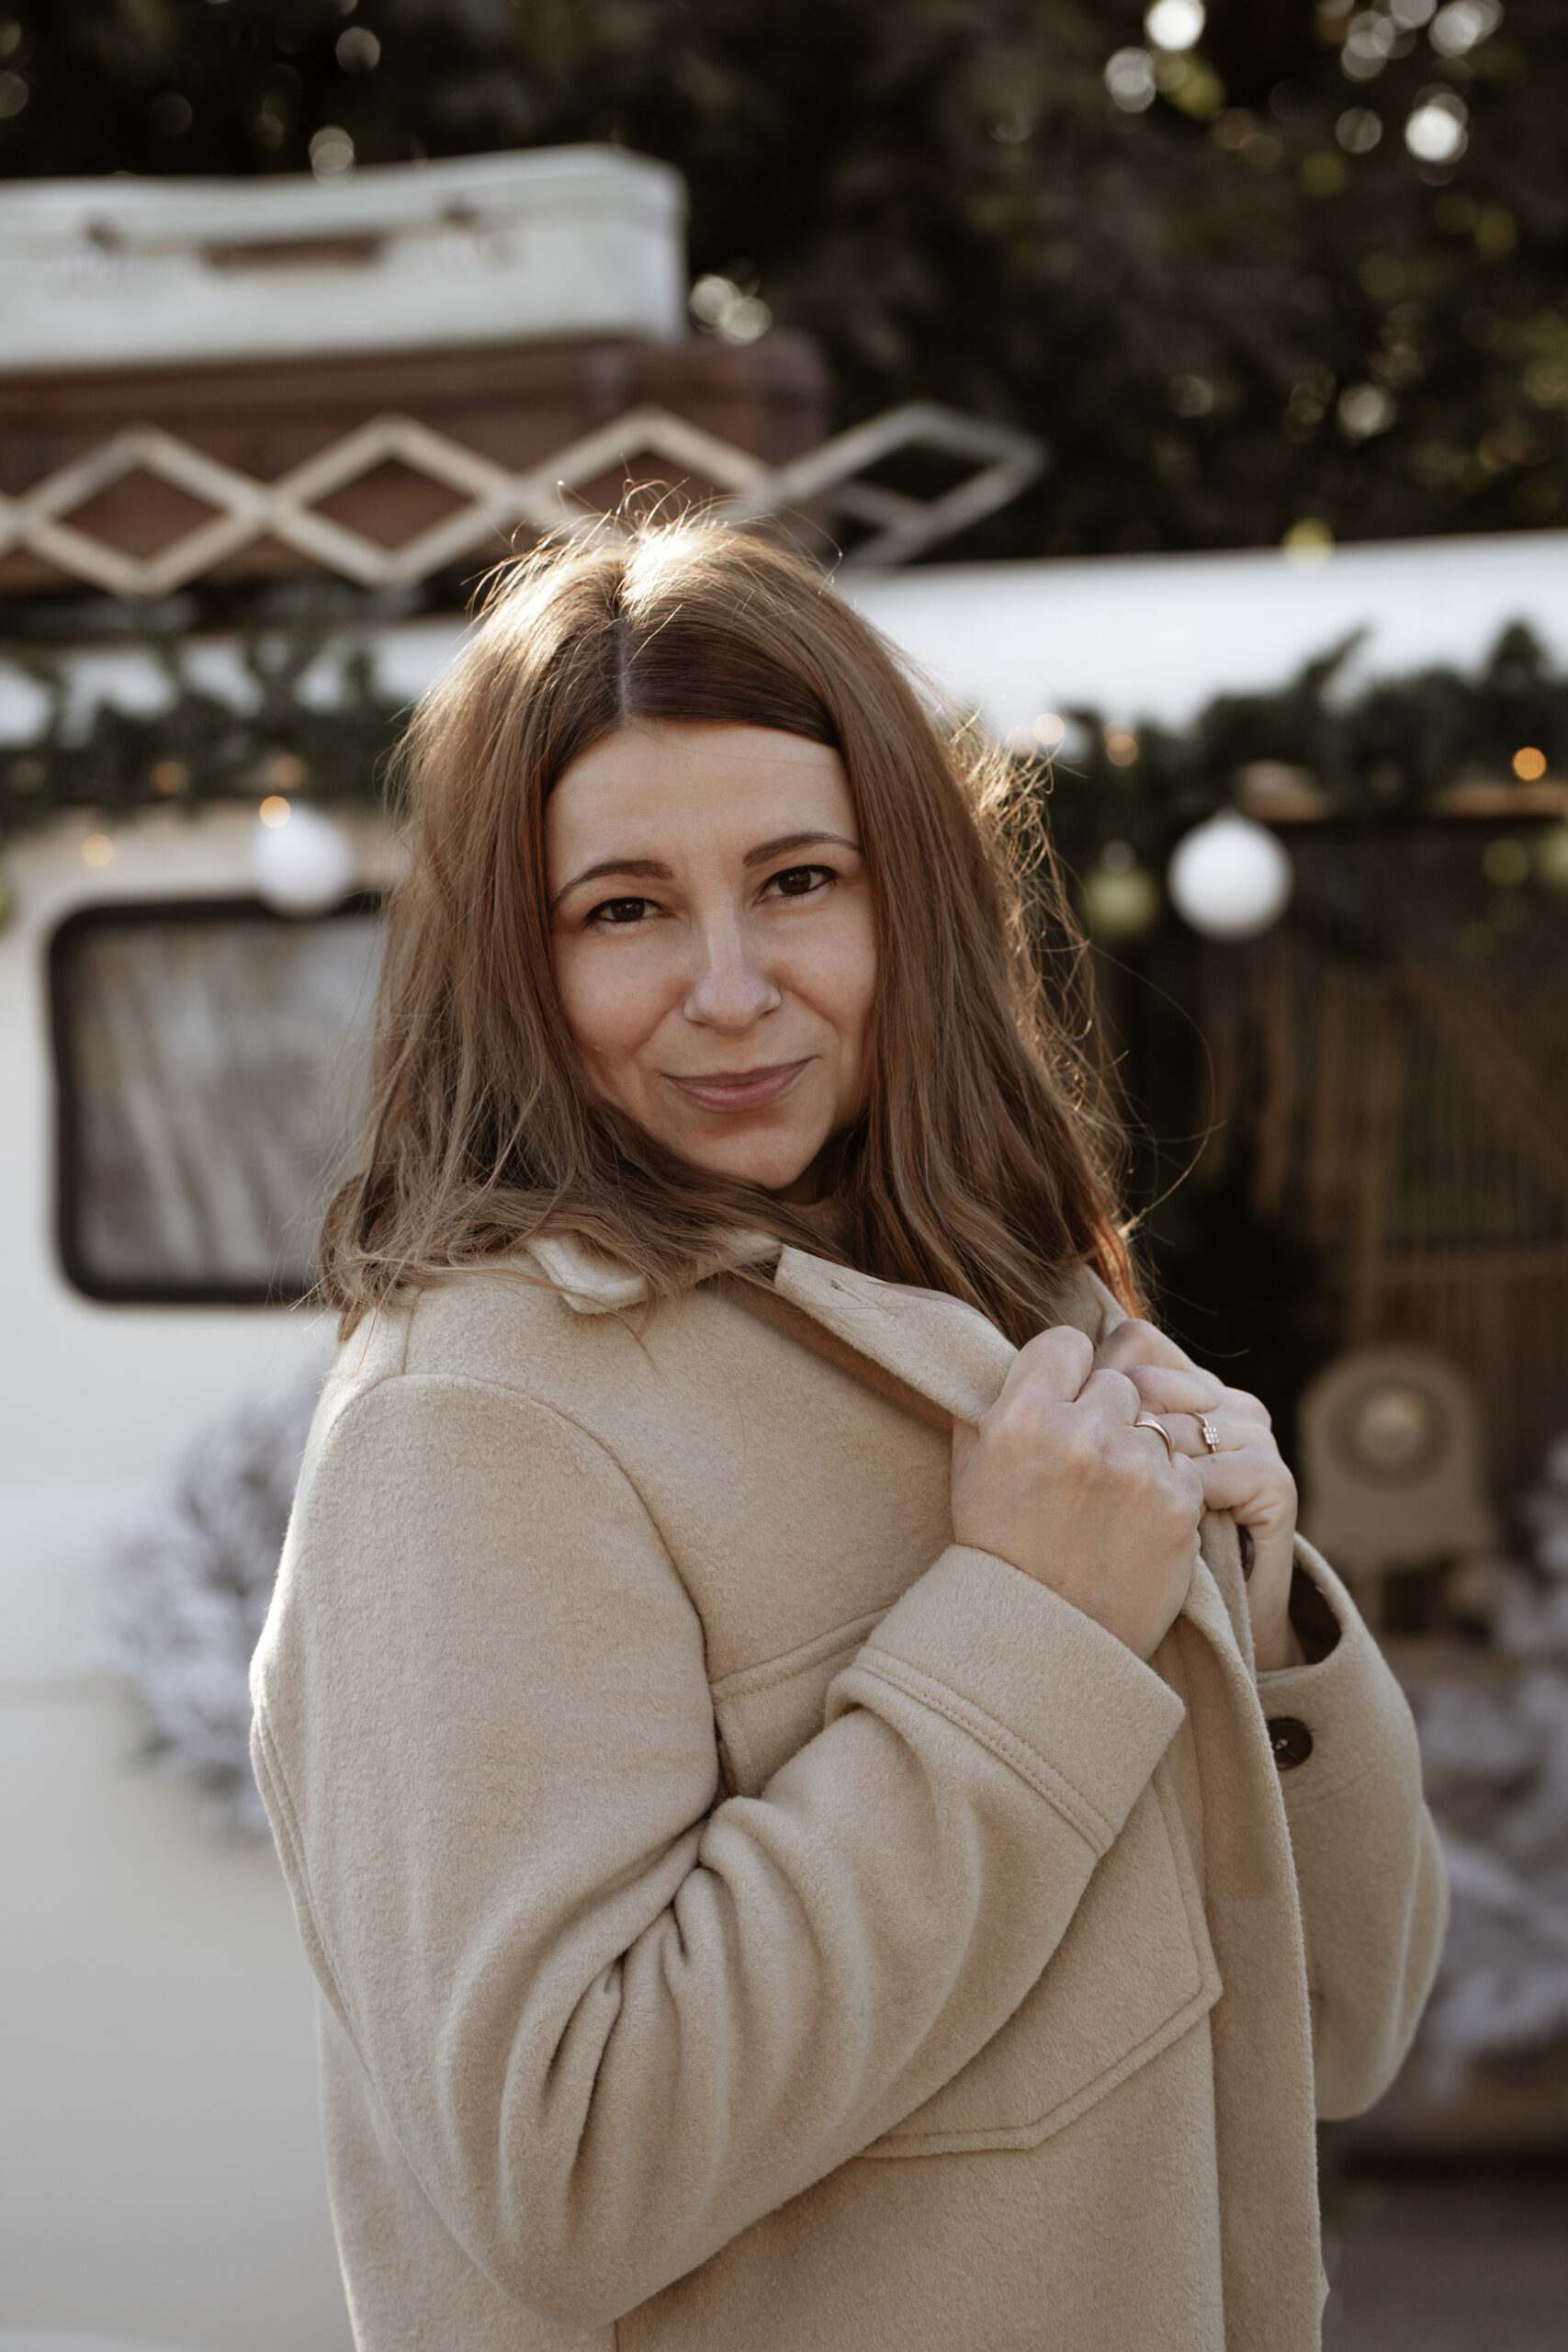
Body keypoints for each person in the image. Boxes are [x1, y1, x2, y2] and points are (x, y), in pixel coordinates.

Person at [252, 520, 1445, 2352]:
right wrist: (1029, 1631)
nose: (730, 986)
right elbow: (566, 2172)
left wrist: (1257, 1601)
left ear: (913, 900)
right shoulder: (476, 1417)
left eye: (798, 879)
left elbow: (1339, 2031)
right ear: (510, 961)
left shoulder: (1009, 1310)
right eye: (624, 908)